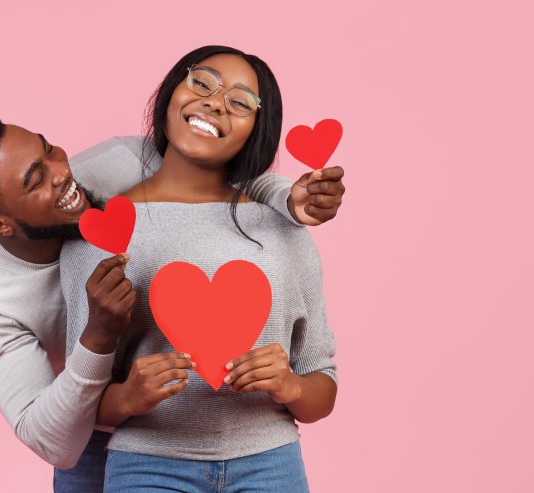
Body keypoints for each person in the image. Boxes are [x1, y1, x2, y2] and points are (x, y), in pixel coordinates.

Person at [0, 108, 345, 490]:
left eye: (49, 149)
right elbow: (53, 440)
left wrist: (287, 196)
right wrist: (98, 337)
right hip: (92, 437)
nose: (61, 173)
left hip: (203, 423)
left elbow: (219, 167)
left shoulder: (124, 161)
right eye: (35, 179)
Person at [61, 45, 337, 492]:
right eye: (202, 83)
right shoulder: (100, 233)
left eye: (240, 102)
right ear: (172, 92)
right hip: (148, 466)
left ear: (256, 129)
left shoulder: (284, 230)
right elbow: (76, 400)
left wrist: (290, 386)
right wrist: (127, 397)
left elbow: (322, 387)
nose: (214, 102)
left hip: (271, 464)